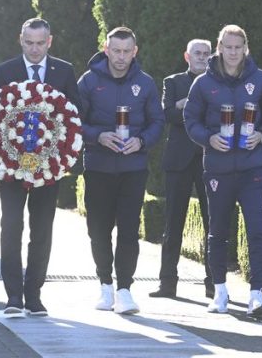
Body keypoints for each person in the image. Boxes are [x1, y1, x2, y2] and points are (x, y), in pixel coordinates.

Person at [184, 25, 262, 315]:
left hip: (252, 168)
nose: (233, 52)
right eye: (228, 47)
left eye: (238, 47)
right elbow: (191, 120)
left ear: (245, 48)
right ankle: (220, 292)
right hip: (218, 168)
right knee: (217, 232)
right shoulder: (202, 83)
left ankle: (257, 294)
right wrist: (208, 138)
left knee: (257, 230)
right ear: (219, 47)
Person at [0, 18, 81, 317]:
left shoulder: (64, 72)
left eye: (40, 43)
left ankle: (34, 294)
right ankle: (13, 296)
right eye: (29, 42)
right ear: (20, 39)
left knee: (42, 231)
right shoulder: (5, 72)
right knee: (11, 228)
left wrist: (63, 161)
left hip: (49, 170)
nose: (34, 49)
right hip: (12, 169)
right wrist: (3, 162)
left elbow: (73, 120)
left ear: (49, 41)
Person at [77, 27, 164, 315]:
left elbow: (156, 123)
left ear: (135, 51)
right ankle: (105, 285)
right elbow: (74, 121)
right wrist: (98, 136)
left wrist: (141, 142)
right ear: (106, 48)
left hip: (133, 168)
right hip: (99, 167)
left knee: (129, 230)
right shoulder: (88, 81)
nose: (121, 57)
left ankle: (125, 289)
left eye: (127, 51)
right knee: (98, 229)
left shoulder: (146, 83)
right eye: (116, 50)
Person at [150, 39, 214, 300]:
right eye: (197, 53)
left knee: (214, 224)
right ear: (187, 56)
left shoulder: (218, 82)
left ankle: (214, 284)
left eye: (207, 53)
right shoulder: (172, 82)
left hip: (210, 159)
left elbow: (216, 116)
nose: (202, 57)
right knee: (173, 223)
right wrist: (190, 103)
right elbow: (167, 115)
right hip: (179, 161)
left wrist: (183, 104)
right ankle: (167, 284)